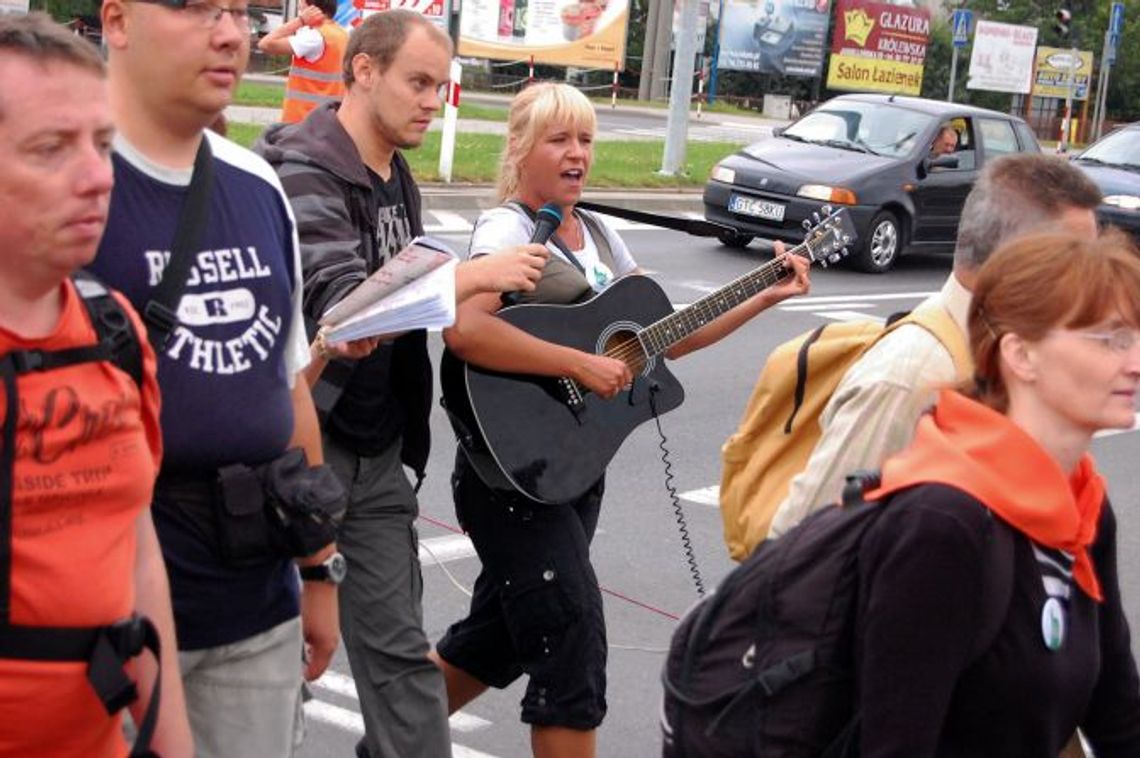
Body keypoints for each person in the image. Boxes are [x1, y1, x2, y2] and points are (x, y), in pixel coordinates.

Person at [430, 82, 811, 758]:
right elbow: (465, 332)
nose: (577, 153)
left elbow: (659, 336)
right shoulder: (508, 231)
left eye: (585, 140)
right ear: (520, 149)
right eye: (559, 139)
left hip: (571, 468)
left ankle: (391, 739)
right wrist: (577, 367)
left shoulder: (599, 233)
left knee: (498, 637)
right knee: (572, 638)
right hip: (511, 477)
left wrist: (766, 293)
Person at [256, 10, 547, 758]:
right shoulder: (304, 166)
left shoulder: (395, 171)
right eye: (418, 82)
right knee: (268, 669)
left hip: (378, 454)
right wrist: (475, 274)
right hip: (297, 454)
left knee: (402, 665)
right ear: (362, 70)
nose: (431, 100)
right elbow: (343, 312)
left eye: (440, 86)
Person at [93, 0, 340, 755]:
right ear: (116, 20)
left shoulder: (256, 184)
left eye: (236, 10)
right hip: (103, 620)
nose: (230, 32)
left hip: (255, 606)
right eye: (193, 7)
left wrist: (320, 570)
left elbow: (288, 382)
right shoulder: (67, 179)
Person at [854, 231, 1140, 755]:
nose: (1137, 362)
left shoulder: (1081, 503)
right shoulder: (942, 523)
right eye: (1110, 339)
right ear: (1021, 356)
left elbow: (1117, 713)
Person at [0, 13, 191, 755]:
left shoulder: (115, 331)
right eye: (52, 149)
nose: (97, 176)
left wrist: (172, 744)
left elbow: (135, 546)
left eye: (103, 144)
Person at [768, 153, 1103, 538]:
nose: (1090, 281)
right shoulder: (913, 375)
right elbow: (802, 548)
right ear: (1012, 261)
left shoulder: (1003, 358)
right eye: (1075, 260)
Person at [257, 0, 347, 124]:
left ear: (312, 8)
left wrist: (300, 21)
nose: (299, 5)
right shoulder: (342, 34)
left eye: (301, 3)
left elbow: (265, 44)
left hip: (303, 121)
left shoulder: (314, 37)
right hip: (328, 120)